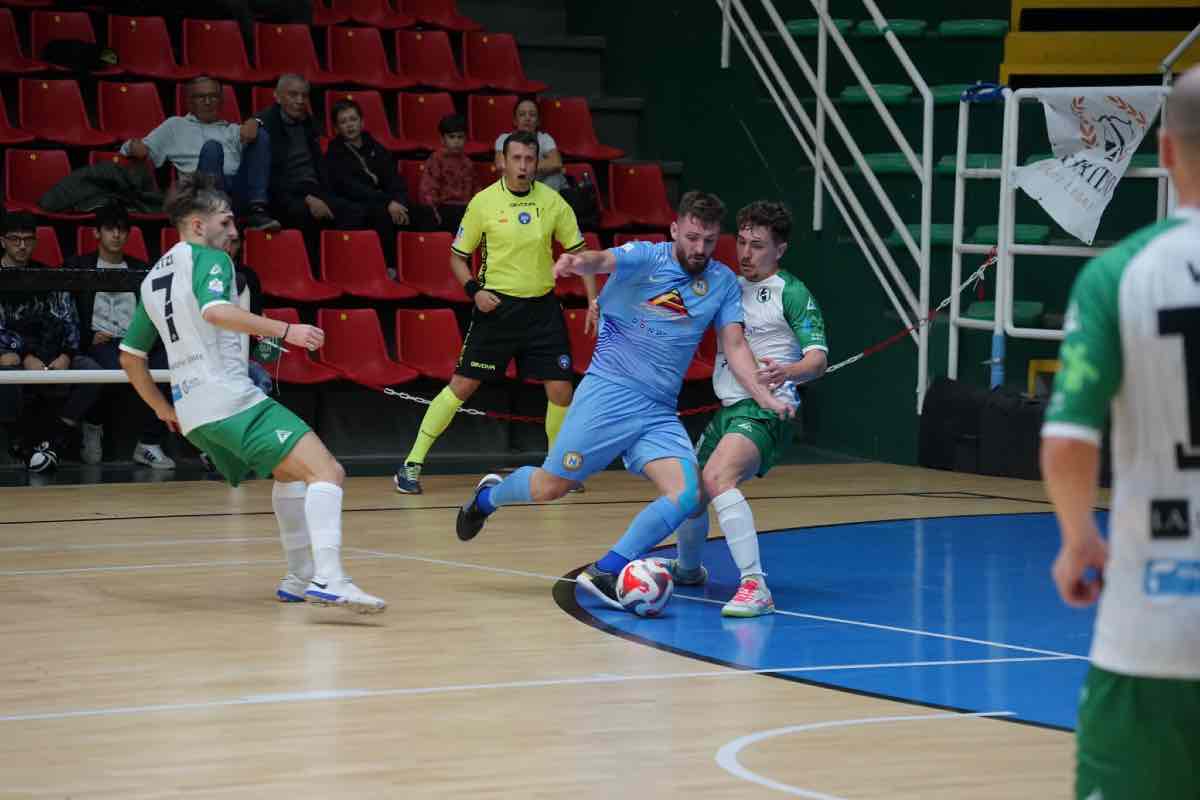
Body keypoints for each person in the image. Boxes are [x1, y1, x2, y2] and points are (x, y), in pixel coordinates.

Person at [453, 191, 794, 611]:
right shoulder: (649, 258)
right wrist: (578, 264)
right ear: (675, 230)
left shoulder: (721, 282)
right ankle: (488, 497)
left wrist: (764, 395)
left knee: (687, 495)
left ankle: (607, 569)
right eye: (691, 237)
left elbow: (736, 345)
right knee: (550, 488)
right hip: (608, 396)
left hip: (658, 413)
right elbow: (605, 260)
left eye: (708, 240)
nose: (699, 249)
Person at [1040, 66, 1200, 800]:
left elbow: (1069, 438)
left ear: (1165, 152)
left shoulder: (1117, 276)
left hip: (1152, 634)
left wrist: (1080, 539)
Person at [118, 174, 385, 613]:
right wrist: (288, 330)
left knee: (289, 475)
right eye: (225, 222)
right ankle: (330, 579)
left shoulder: (153, 278)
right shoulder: (212, 260)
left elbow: (130, 358)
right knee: (327, 472)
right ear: (199, 226)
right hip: (228, 398)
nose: (235, 232)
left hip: (195, 414)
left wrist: (164, 410)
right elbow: (217, 311)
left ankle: (299, 578)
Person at [393, 130, 596, 495]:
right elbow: (457, 257)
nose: (523, 166)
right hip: (497, 309)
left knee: (561, 390)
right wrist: (474, 291)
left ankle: (555, 469)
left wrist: (593, 300)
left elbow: (581, 255)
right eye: (516, 159)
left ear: (537, 161)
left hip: (542, 311)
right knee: (463, 385)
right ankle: (411, 464)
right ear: (502, 161)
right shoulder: (483, 203)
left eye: (529, 159)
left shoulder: (553, 202)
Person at [653, 201, 827, 617]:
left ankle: (755, 586)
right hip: (730, 407)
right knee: (690, 492)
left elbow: (817, 360)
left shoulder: (792, 292)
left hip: (769, 408)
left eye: (758, 246)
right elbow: (671, 307)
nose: (746, 254)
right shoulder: (725, 284)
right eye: (743, 243)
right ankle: (690, 569)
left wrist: (789, 370)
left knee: (718, 478)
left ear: (780, 249)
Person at [65, 202, 176, 469]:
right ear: (96, 233)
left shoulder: (142, 269)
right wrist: (85, 337)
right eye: (110, 229)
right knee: (113, 366)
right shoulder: (77, 267)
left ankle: (148, 443)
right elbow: (66, 311)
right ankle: (93, 426)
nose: (116, 235)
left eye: (122, 230)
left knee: (172, 364)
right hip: (98, 342)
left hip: (137, 342)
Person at [0, 212, 103, 471]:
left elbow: (69, 320)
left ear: (35, 242)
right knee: (7, 369)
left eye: (27, 239)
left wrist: (66, 355)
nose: (22, 245)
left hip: (53, 353)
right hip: (15, 355)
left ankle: (53, 441)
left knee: (93, 373)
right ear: (3, 241)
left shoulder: (48, 276)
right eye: (15, 239)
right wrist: (26, 355)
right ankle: (20, 443)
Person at [121, 75, 278, 232]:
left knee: (261, 135)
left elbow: (256, 157)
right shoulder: (174, 126)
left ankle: (257, 209)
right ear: (190, 102)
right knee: (212, 148)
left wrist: (257, 122)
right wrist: (132, 146)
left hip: (235, 192)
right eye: (201, 97)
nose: (208, 102)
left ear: (221, 101)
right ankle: (216, 214)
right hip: (200, 195)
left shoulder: (232, 130)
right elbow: (137, 148)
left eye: (213, 97)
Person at [258, 74, 363, 234]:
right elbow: (271, 176)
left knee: (356, 212)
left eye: (304, 96)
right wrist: (307, 198)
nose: (300, 101)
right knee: (306, 216)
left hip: (314, 189)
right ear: (277, 97)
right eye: (293, 95)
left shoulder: (309, 123)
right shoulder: (265, 124)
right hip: (285, 194)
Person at [324, 98, 410, 268]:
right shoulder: (334, 154)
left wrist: (399, 201)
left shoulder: (376, 147)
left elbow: (394, 179)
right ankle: (389, 268)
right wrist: (387, 202)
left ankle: (419, 269)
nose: (349, 125)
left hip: (387, 202)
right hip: (358, 205)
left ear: (362, 122)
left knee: (423, 214)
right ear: (336, 129)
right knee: (381, 214)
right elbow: (351, 188)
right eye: (343, 121)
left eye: (353, 119)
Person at [493, 98, 566, 193]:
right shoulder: (504, 139)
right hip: (515, 185)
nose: (527, 118)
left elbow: (556, 163)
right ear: (515, 121)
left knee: (555, 177)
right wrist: (539, 166)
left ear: (538, 121)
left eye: (532, 115)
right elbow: (501, 164)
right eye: (522, 114)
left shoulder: (544, 138)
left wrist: (521, 168)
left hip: (540, 186)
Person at [418, 113, 473, 233]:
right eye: (452, 137)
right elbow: (428, 190)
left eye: (460, 137)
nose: (456, 141)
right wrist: (434, 211)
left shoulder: (468, 163)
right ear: (442, 139)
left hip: (464, 207)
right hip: (443, 207)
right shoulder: (436, 159)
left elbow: (475, 189)